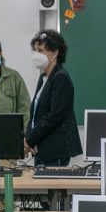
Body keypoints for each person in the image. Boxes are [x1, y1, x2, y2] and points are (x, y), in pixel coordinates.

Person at [24, 29, 82, 166]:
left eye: (41, 50)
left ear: (55, 53)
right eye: (35, 50)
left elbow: (54, 116)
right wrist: (28, 136)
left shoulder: (61, 77)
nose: (36, 55)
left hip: (56, 150)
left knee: (56, 188)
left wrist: (31, 138)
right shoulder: (44, 77)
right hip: (42, 149)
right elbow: (36, 113)